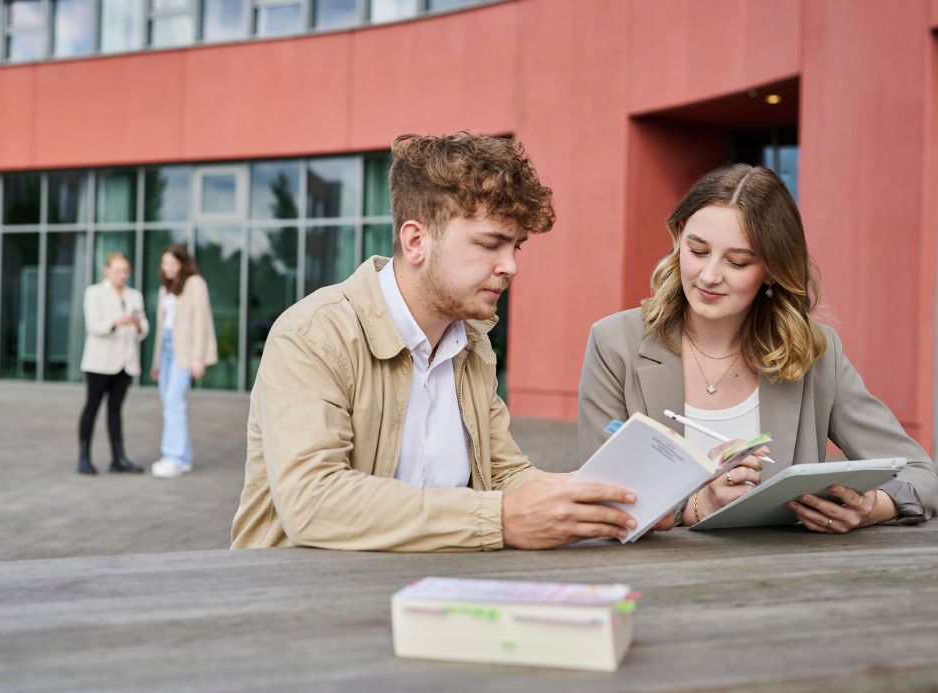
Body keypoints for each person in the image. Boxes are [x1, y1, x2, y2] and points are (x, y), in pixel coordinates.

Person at [230, 132, 673, 551]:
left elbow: (504, 474)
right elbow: (313, 503)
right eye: (491, 244)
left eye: (516, 247)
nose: (510, 266)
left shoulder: (472, 342)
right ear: (416, 240)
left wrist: (608, 501)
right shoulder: (313, 335)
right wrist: (498, 520)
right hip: (295, 605)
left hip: (416, 593)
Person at [578, 164, 938, 531]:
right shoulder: (614, 343)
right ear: (678, 238)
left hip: (784, 580)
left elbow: (921, 474)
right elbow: (603, 496)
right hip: (658, 580)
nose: (708, 276)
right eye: (698, 251)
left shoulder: (816, 353)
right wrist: (698, 506)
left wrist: (874, 505)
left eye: (737, 262)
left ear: (771, 268)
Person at [149, 244, 217, 479]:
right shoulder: (166, 288)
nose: (167, 268)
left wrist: (198, 358)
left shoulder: (195, 283)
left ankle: (174, 457)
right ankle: (184, 456)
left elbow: (201, 321)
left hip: (184, 352)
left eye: (172, 263)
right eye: (164, 263)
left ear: (182, 263)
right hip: (166, 351)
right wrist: (156, 361)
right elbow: (162, 328)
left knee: (174, 402)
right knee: (168, 402)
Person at [78, 251, 149, 475]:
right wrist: (117, 322)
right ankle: (84, 458)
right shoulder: (94, 293)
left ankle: (118, 459)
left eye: (125, 271)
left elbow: (144, 328)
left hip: (125, 363)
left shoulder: (135, 295)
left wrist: (138, 325)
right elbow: (93, 326)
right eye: (118, 271)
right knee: (92, 407)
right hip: (99, 363)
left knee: (115, 410)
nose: (122, 275)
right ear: (107, 270)